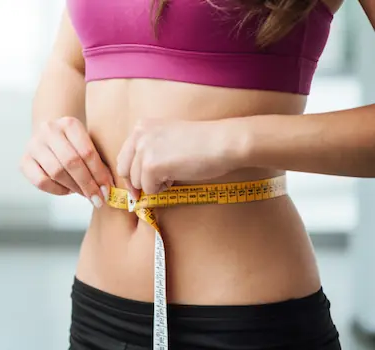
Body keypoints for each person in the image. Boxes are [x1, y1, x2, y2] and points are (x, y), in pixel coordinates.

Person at [19, 0, 374, 349]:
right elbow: (71, 61)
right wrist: (50, 130)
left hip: (245, 322)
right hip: (96, 310)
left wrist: (229, 140)